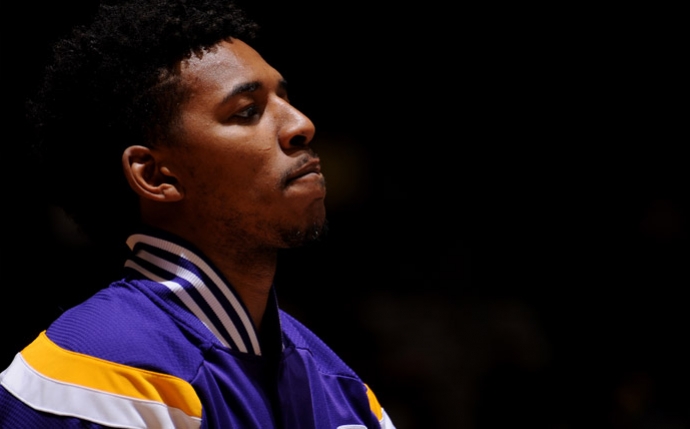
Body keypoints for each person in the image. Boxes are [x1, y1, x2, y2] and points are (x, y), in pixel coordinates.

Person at [0, 0, 396, 428]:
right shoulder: (90, 374)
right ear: (155, 175)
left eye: (285, 98)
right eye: (247, 111)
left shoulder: (346, 392)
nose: (302, 124)